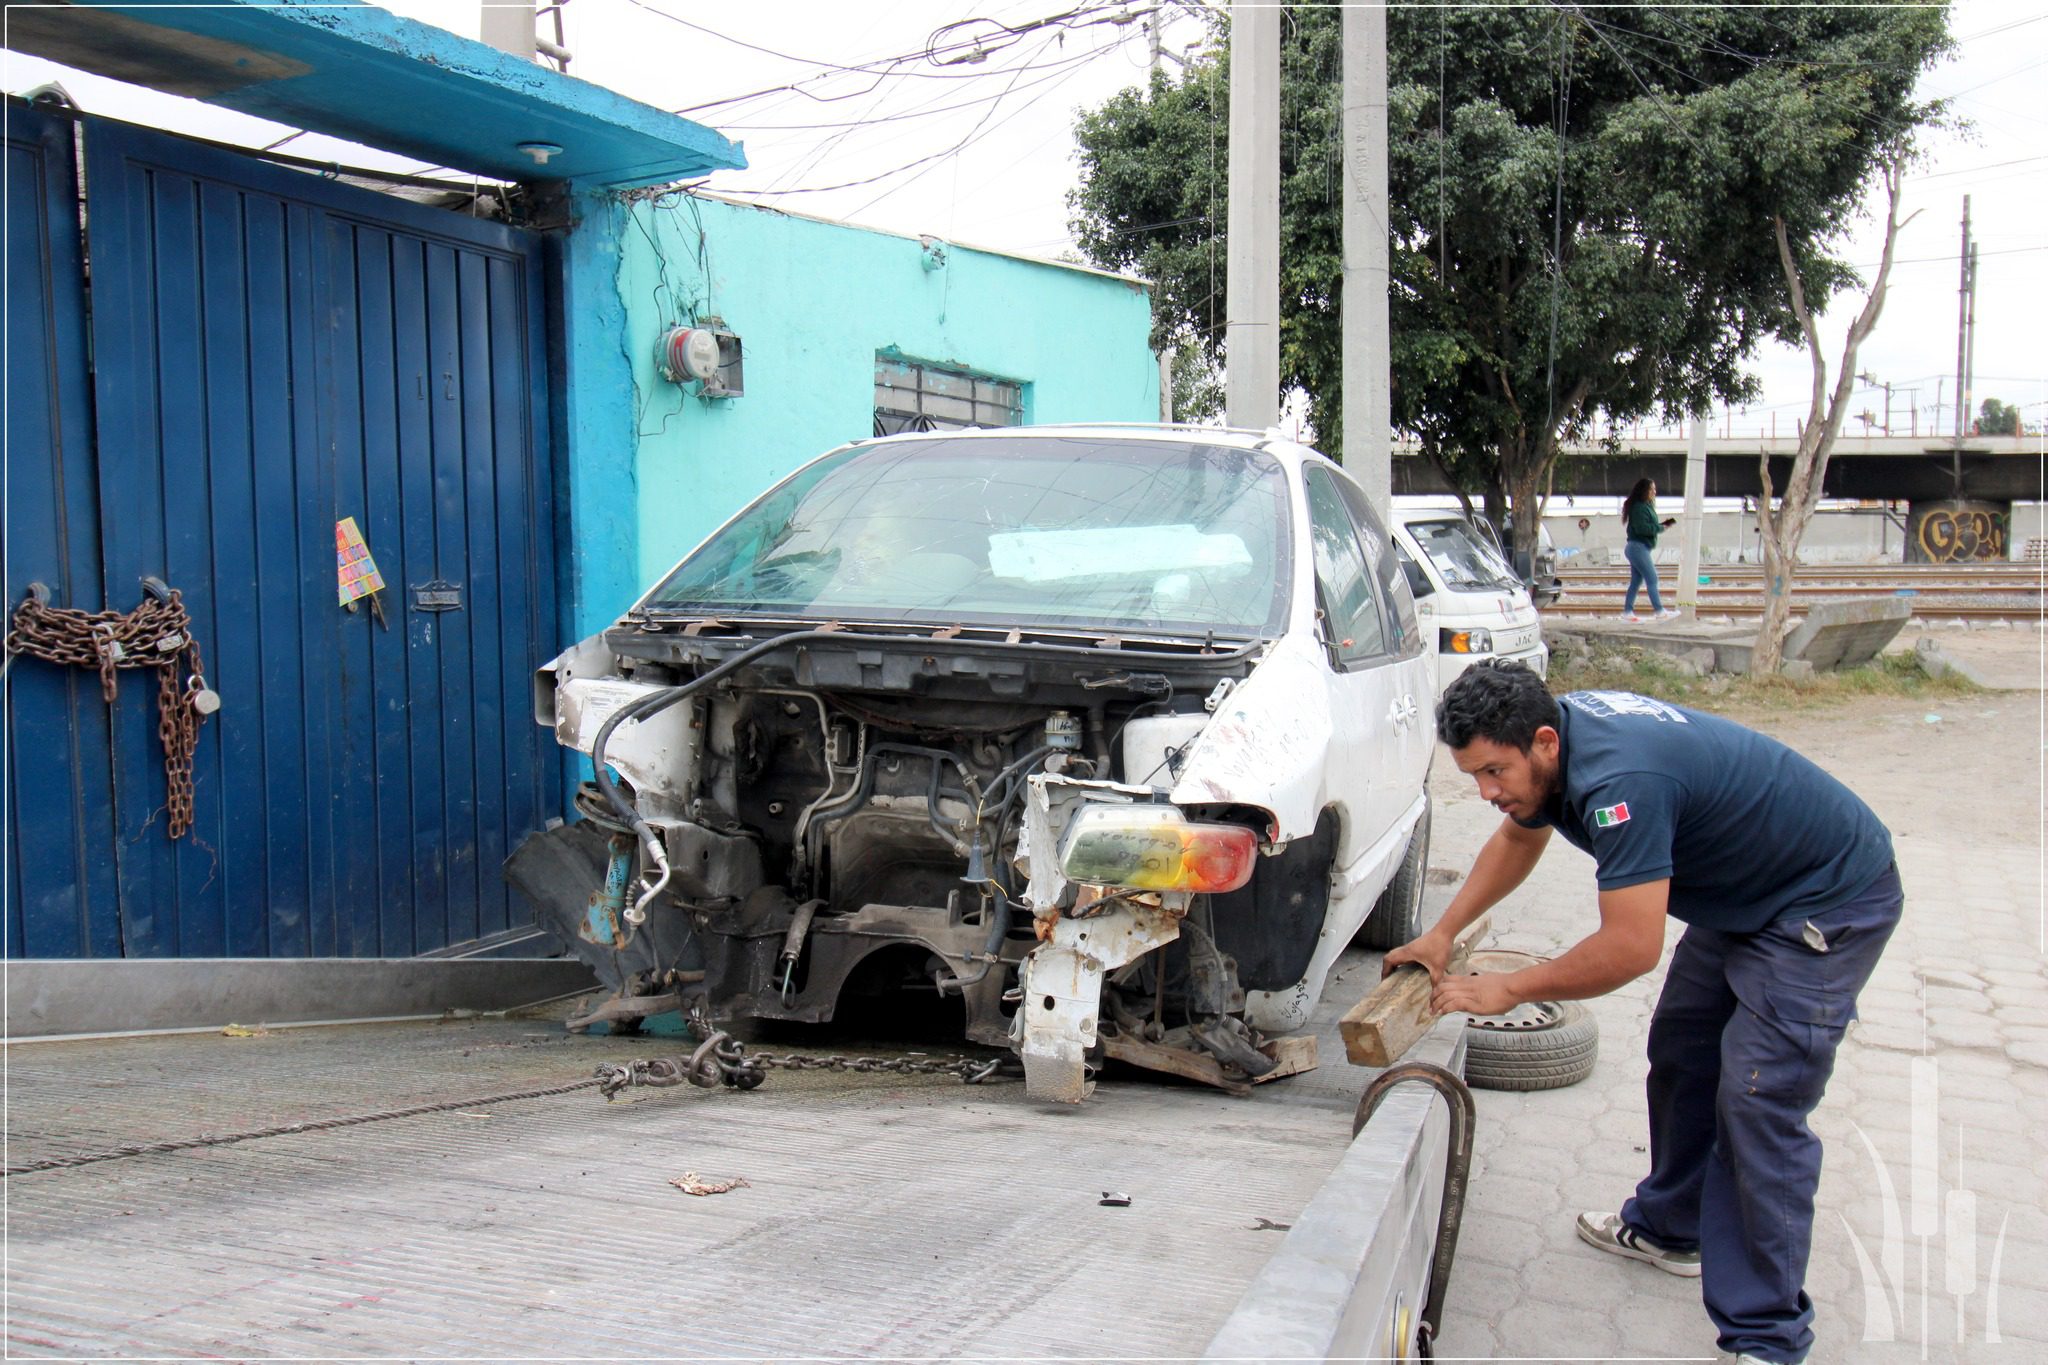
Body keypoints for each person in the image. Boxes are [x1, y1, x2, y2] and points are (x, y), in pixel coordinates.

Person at [1388, 661, 1900, 1365]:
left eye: (1495, 772)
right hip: (1749, 891)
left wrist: (1511, 987)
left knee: (1758, 1096)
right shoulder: (1552, 748)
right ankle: (1673, 1226)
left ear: (1543, 742)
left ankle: (1767, 1335)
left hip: (1826, 898)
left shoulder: (1620, 781)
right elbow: (1519, 836)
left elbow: (1630, 946)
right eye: (1473, 775)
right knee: (1685, 1048)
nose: (1487, 792)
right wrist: (1443, 932)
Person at [1621, 477, 1679, 622]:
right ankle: (1659, 611)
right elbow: (1642, 528)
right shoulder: (1639, 507)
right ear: (1644, 490)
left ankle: (1627, 612)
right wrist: (1661, 527)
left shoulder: (1645, 506)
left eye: (1654, 489)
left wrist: (1662, 525)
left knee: (1636, 581)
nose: (1654, 491)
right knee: (1652, 578)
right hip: (1637, 547)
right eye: (1651, 489)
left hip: (1638, 547)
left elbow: (1646, 525)